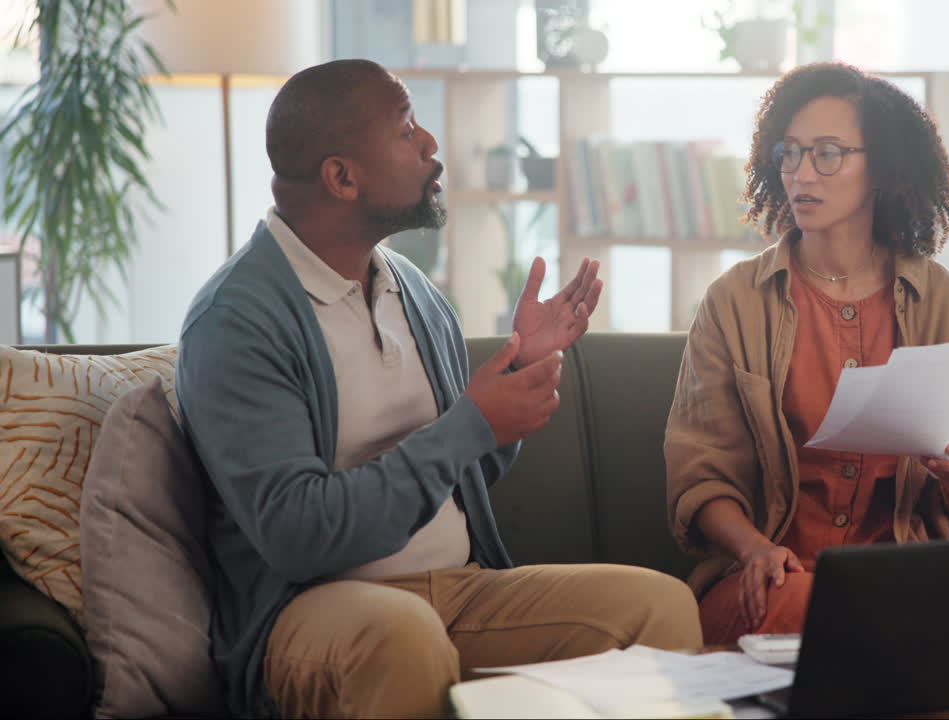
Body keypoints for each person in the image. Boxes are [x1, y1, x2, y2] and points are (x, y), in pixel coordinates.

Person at [176, 59, 701, 719]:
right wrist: (471, 424)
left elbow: (463, 463)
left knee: (659, 608)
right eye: (406, 129)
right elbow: (298, 535)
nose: (430, 147)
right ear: (341, 176)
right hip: (311, 609)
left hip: (461, 589)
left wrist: (513, 377)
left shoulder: (412, 292)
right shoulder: (237, 321)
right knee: (403, 635)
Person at [664, 61, 949, 645]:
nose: (802, 172)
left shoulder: (946, 302)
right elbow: (700, 480)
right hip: (776, 579)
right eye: (790, 152)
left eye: (827, 153)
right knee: (819, 607)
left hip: (904, 578)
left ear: (881, 167)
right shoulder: (733, 302)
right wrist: (756, 550)